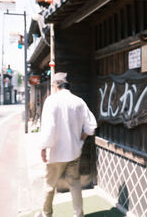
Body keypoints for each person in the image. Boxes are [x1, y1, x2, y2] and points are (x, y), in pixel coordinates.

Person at [35, 72, 97, 217]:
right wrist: (80, 140)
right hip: (74, 151)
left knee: (50, 185)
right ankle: (78, 214)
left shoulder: (51, 101)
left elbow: (48, 128)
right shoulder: (78, 101)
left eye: (52, 85)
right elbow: (91, 126)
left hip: (56, 153)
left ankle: (46, 213)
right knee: (74, 183)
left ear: (56, 85)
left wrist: (43, 147)